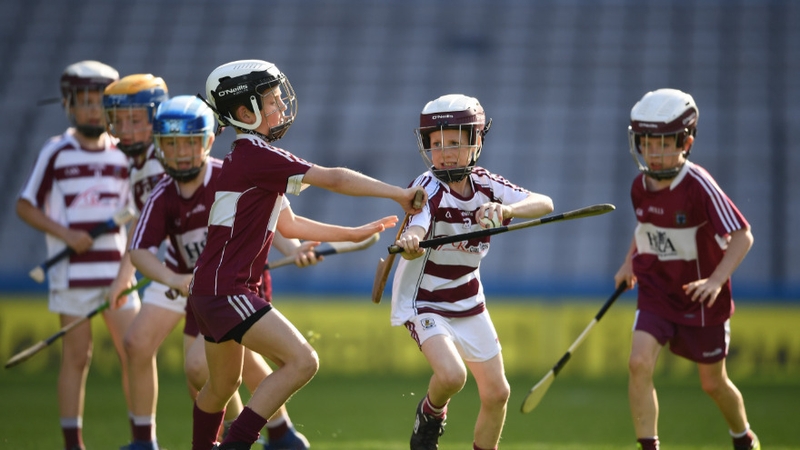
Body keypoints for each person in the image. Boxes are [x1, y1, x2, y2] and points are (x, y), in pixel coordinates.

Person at [189, 59, 425, 450]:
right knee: (303, 361)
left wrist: (352, 233)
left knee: (222, 386)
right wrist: (398, 194)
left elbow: (290, 226)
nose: (282, 107)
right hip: (227, 290)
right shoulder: (257, 156)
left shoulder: (249, 160)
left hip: (210, 290)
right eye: (273, 101)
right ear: (245, 112)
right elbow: (333, 177)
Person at [128, 95, 319, 450]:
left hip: (240, 284)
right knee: (202, 372)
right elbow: (138, 250)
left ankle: (263, 435)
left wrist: (293, 250)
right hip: (200, 293)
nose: (181, 153)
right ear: (159, 148)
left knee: (234, 365)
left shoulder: (228, 171)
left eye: (189, 143)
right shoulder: (163, 194)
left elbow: (277, 216)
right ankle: (272, 434)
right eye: (171, 145)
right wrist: (171, 278)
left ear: (207, 141)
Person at [391, 94, 554, 450]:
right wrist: (413, 239)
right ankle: (430, 413)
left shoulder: (485, 184)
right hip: (425, 301)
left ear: (476, 142)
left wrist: (505, 210)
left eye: (454, 142)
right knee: (452, 376)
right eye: (436, 144)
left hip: (468, 298)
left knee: (497, 393)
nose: (445, 152)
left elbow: (544, 202)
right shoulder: (428, 188)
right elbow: (417, 224)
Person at [613, 88, 760, 450]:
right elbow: (646, 229)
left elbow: (743, 236)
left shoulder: (699, 185)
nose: (654, 152)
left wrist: (715, 281)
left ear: (686, 142)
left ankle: (743, 437)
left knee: (713, 383)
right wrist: (629, 261)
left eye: (663, 144)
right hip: (657, 291)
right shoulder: (639, 186)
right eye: (647, 143)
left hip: (700, 297)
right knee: (638, 363)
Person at [16, 60, 141, 450]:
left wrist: (128, 268)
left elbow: (137, 213)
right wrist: (67, 234)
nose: (91, 110)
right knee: (77, 358)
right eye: (83, 101)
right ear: (69, 104)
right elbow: (26, 205)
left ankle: (142, 438)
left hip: (118, 272)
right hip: (71, 276)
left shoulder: (124, 154)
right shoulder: (57, 150)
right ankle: (74, 444)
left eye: (98, 102)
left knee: (133, 352)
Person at [101, 73, 171, 450]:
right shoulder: (137, 163)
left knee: (212, 366)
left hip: (204, 267)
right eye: (119, 120)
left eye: (134, 119)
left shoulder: (171, 152)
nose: (124, 130)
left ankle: (276, 432)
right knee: (137, 344)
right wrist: (123, 277)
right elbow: (143, 227)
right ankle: (144, 441)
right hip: (176, 269)